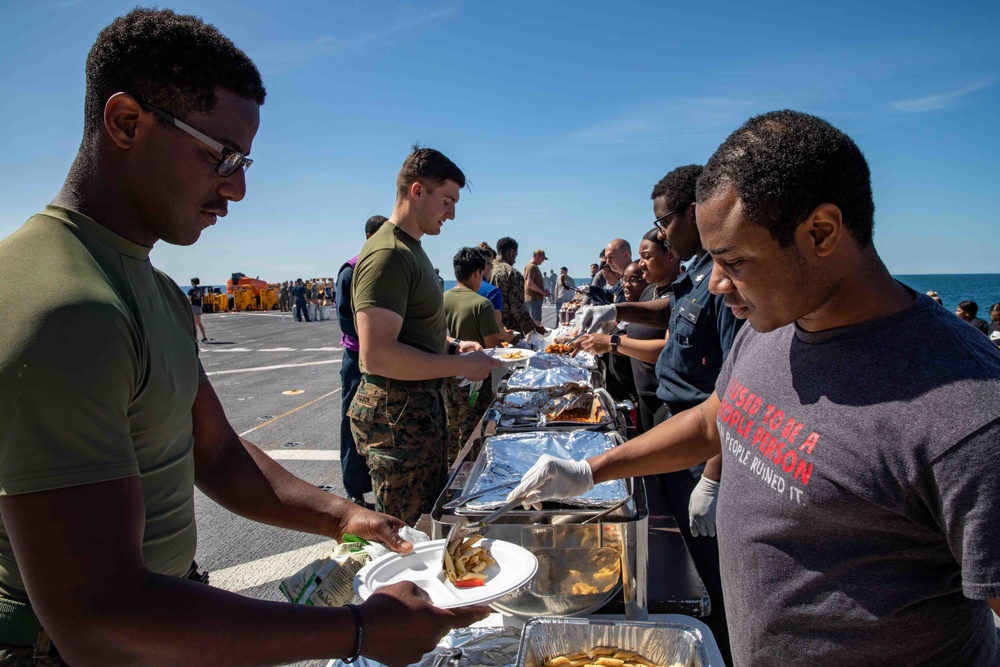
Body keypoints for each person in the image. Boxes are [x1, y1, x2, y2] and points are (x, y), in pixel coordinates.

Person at [0, 9, 490, 667]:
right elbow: (98, 613)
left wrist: (341, 515)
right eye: (220, 156)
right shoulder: (64, 307)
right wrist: (360, 630)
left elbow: (219, 455)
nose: (237, 187)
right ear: (125, 122)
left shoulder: (156, 291)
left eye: (245, 160)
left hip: (165, 618)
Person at [510, 110, 1000, 666]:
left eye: (735, 262)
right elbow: (717, 417)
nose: (718, 284)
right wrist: (592, 471)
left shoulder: (969, 411)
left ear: (821, 232)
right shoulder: (771, 327)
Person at [348, 146, 500, 526]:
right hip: (398, 416)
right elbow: (377, 355)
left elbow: (411, 332)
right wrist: (460, 364)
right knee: (407, 534)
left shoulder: (410, 250)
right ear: (417, 191)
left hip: (415, 410)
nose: (451, 213)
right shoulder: (389, 254)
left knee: (427, 521)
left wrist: (451, 346)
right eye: (446, 200)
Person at [575, 230, 681, 433]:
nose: (641, 264)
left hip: (664, 399)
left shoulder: (677, 294)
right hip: (644, 394)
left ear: (671, 255)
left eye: (646, 257)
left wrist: (611, 342)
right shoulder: (650, 290)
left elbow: (667, 350)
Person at [335, 215, 388, 506]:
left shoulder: (386, 267)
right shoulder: (351, 270)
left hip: (383, 357)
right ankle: (354, 490)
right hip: (358, 358)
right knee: (353, 421)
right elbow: (346, 319)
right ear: (370, 236)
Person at [442, 248, 501, 462]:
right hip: (474, 382)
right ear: (477, 273)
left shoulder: (441, 299)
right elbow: (492, 345)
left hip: (445, 374)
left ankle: (447, 472)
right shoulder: (482, 304)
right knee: (472, 433)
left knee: (450, 426)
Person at [492, 237, 544, 335]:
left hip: (489, 331)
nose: (515, 259)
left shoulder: (485, 270)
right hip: (510, 331)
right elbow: (518, 308)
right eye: (515, 255)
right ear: (511, 252)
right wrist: (534, 328)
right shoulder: (512, 273)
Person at [523, 249, 551, 326]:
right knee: (535, 325)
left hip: (534, 300)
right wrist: (543, 292)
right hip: (533, 299)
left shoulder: (534, 267)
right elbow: (529, 283)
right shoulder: (531, 266)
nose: (543, 261)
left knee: (534, 325)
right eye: (542, 259)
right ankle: (531, 338)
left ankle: (530, 338)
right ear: (537, 256)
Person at [188, 277, 208, 342]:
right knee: (199, 323)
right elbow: (202, 299)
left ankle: (195, 338)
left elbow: (189, 299)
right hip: (199, 306)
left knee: (194, 323)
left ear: (193, 282)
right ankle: (204, 337)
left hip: (193, 306)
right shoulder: (200, 290)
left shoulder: (191, 290)